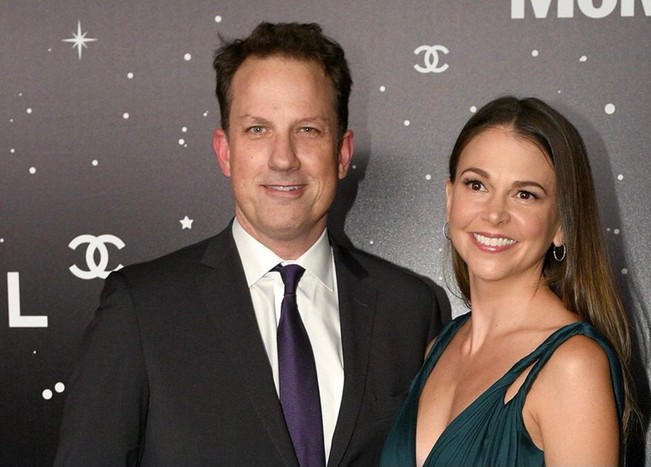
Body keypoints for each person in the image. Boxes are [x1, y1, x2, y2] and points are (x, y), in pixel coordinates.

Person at [54, 22, 448, 466]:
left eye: (308, 130)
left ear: (342, 153)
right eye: (258, 129)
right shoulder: (140, 310)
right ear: (225, 151)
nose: (283, 158)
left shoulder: (409, 309)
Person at [381, 96, 637, 466]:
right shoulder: (439, 347)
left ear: (562, 224)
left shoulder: (573, 367)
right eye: (477, 185)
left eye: (525, 194)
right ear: (450, 198)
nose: (495, 214)